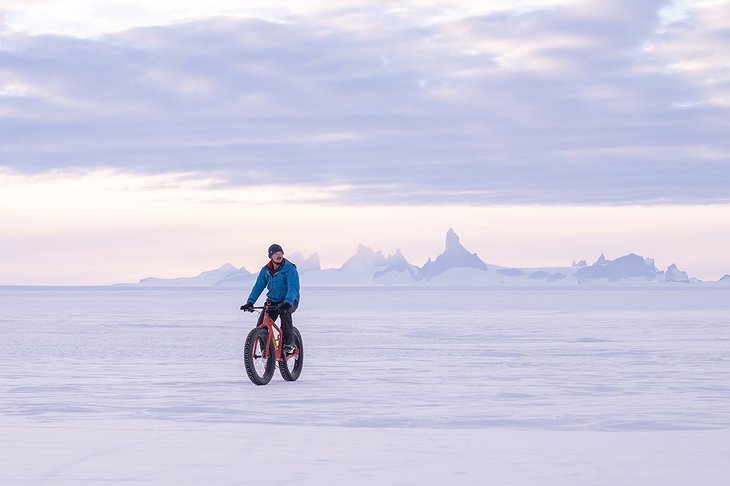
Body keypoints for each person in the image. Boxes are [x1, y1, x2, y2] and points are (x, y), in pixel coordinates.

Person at [241, 244, 300, 354]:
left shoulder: (290, 269)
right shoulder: (265, 270)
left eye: (280, 253)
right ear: (270, 256)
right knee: (260, 326)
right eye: (276, 253)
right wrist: (250, 302)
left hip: (290, 301)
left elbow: (293, 288)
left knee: (284, 311)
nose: (279, 255)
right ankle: (267, 352)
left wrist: (288, 302)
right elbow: (258, 287)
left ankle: (288, 343)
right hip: (273, 301)